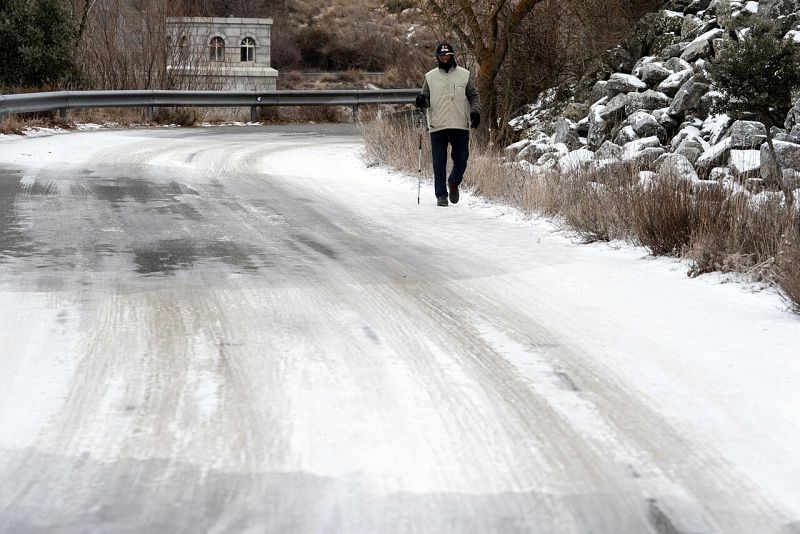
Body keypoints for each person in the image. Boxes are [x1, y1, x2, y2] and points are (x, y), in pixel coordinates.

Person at [415, 41, 481, 207]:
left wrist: (475, 112)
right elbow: (425, 98)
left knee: (462, 159)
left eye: (447, 56)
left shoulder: (464, 75)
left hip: (460, 123)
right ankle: (441, 195)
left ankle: (453, 181)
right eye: (441, 56)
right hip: (438, 125)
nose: (444, 59)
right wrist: (421, 101)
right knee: (439, 162)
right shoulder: (430, 77)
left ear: (452, 56)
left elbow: (473, 96)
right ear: (437, 58)